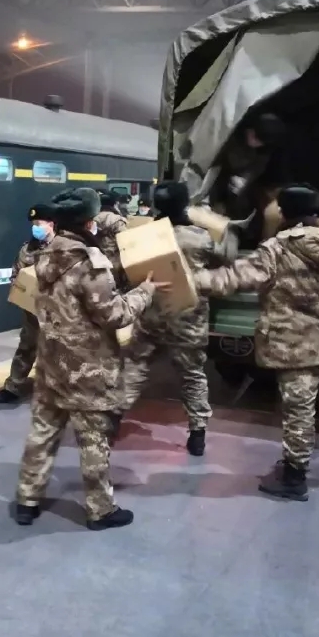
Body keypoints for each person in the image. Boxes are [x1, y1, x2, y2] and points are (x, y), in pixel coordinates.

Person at [193, 184, 319, 500]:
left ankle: (294, 477)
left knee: (299, 413)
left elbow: (232, 278)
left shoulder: (275, 250)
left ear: (284, 213)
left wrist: (190, 280)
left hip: (294, 349)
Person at [14, 187, 165, 531]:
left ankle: (27, 500)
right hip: (87, 368)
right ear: (87, 222)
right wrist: (145, 292)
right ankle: (100, 509)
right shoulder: (89, 263)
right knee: (93, 438)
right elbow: (114, 314)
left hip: (51, 363)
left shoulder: (42, 255)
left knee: (42, 432)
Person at [118, 181, 229, 455]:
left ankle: (114, 415)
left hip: (151, 314)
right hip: (188, 317)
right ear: (185, 204)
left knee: (135, 365)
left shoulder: (143, 236)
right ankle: (198, 434)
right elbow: (224, 258)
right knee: (192, 374)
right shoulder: (200, 237)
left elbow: (126, 271)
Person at [0, 203, 55, 404]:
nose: (35, 228)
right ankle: (14, 386)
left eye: (39, 223)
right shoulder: (27, 249)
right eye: (33, 224)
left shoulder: (62, 248)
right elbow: (16, 276)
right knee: (27, 346)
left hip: (58, 311)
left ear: (51, 224)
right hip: (33, 311)